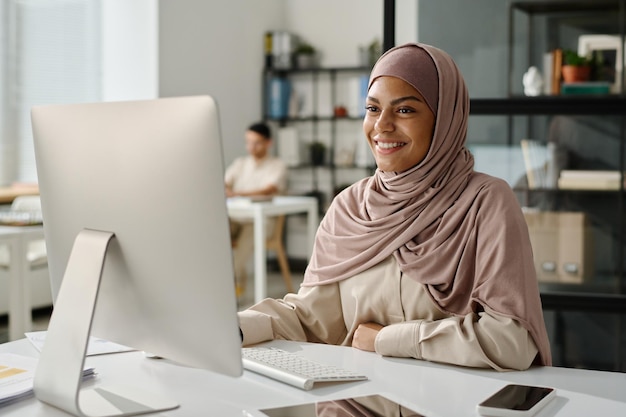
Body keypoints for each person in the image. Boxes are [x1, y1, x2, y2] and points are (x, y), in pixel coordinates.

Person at [238, 43, 552, 370]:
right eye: (373, 109)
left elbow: (512, 340)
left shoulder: (485, 203)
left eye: (404, 110)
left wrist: (386, 340)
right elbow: (310, 319)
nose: (382, 125)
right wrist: (234, 327)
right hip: (356, 402)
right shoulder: (349, 208)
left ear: (445, 119)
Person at [225, 122, 287, 296]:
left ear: (268, 143)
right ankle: (233, 284)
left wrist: (236, 193)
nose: (251, 147)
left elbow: (268, 189)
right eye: (248, 142)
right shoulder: (240, 163)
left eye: (257, 142)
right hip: (236, 218)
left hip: (261, 222)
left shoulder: (277, 165)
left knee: (238, 255)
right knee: (212, 232)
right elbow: (223, 182)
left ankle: (226, 289)